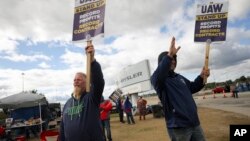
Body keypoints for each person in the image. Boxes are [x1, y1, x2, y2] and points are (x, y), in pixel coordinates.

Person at [151, 37, 210, 141]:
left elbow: (192, 87)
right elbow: (159, 74)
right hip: (178, 127)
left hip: (194, 123)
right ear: (162, 62)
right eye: (171, 59)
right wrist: (169, 55)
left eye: (174, 59)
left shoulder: (179, 77)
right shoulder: (159, 80)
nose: (173, 61)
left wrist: (201, 77)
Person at [59, 44, 105, 141]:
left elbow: (98, 82)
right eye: (75, 80)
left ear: (87, 83)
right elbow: (63, 127)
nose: (76, 81)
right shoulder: (67, 104)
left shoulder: (91, 98)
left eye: (79, 80)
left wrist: (92, 60)